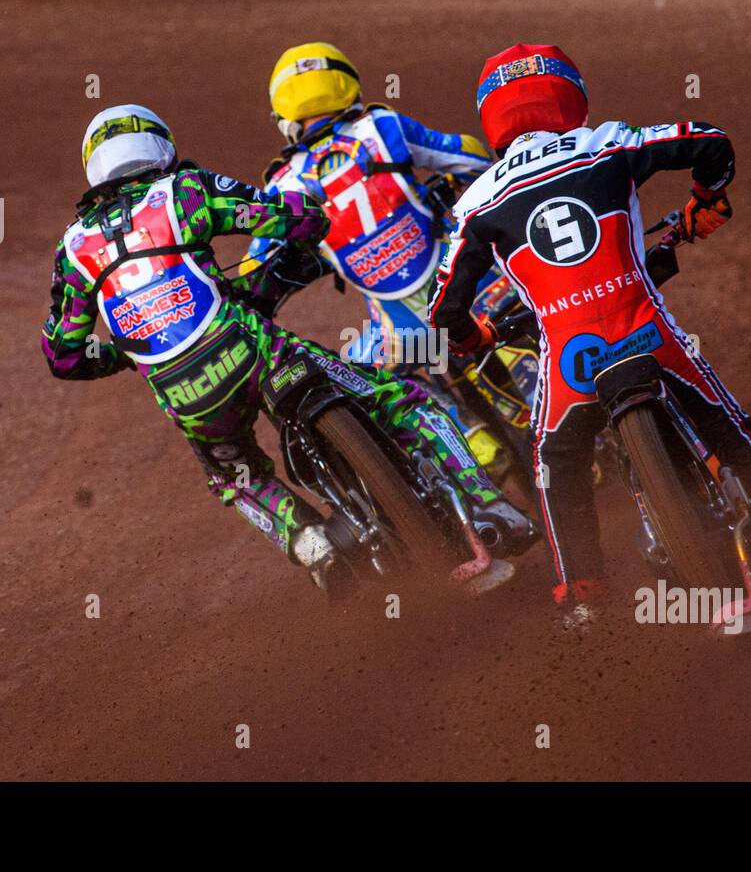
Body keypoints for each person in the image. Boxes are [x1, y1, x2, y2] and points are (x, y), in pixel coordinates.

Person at [41, 104, 529, 595]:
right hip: (253, 352)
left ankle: (311, 544)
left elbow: (64, 356)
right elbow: (279, 217)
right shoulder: (183, 192)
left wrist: (129, 351)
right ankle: (489, 503)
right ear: (160, 145)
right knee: (400, 396)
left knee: (237, 477)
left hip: (187, 398)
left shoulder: (73, 248)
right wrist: (309, 221)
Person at [429, 44, 751, 615]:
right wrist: (704, 200)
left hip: (569, 358)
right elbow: (710, 140)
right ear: (569, 93)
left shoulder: (476, 203)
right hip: (647, 325)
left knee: (553, 460)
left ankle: (582, 595)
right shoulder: (608, 142)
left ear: (491, 116)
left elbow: (442, 309)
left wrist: (473, 337)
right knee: (732, 425)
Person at [250, 41, 534, 476]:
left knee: (364, 374)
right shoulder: (383, 127)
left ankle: (468, 442)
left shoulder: (282, 187)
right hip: (475, 296)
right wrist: (447, 193)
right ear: (347, 85)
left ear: (286, 117)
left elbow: (257, 266)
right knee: (531, 298)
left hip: (405, 337)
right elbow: (469, 156)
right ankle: (555, 395)